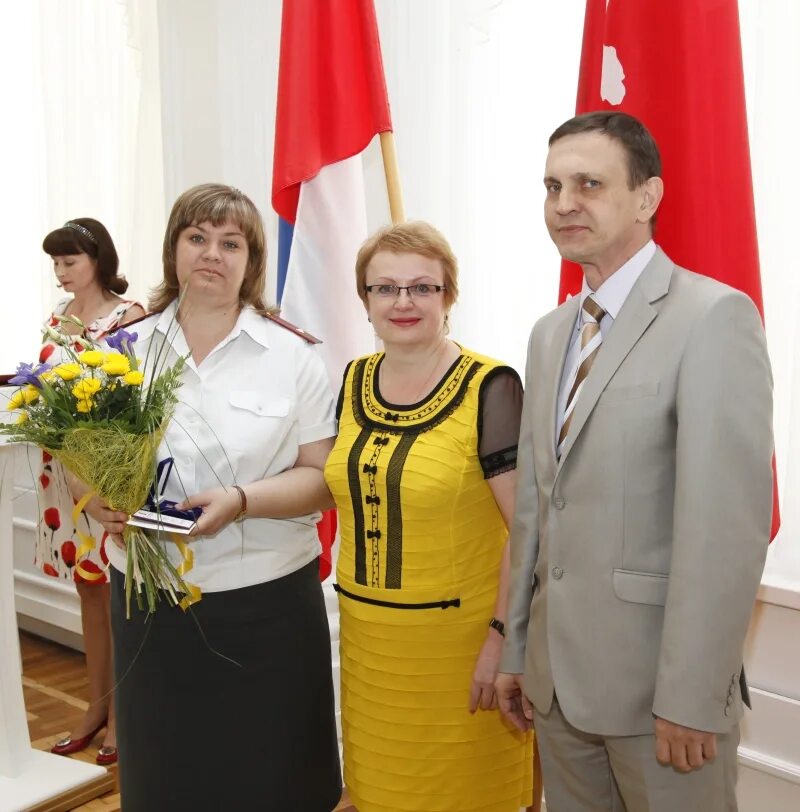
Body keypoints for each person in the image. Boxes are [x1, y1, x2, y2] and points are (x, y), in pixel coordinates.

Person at [496, 111, 774, 812]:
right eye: (553, 185)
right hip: (557, 690)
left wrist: (691, 695)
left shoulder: (714, 318)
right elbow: (535, 510)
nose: (565, 204)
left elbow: (723, 532)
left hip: (661, 702)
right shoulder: (550, 333)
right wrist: (518, 654)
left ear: (646, 198)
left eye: (589, 184)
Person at [86, 184, 342, 810]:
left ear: (251, 261)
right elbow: (82, 454)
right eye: (197, 238)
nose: (212, 254)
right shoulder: (121, 347)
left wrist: (242, 499)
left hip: (266, 602)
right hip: (150, 599)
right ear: (173, 249)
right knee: (167, 777)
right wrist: (94, 496)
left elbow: (322, 475)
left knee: (272, 777)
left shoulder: (295, 355)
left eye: (231, 244)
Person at [324, 221, 537, 812]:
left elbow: (528, 529)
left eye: (422, 287)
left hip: (462, 647)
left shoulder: (490, 387)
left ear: (449, 296)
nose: (403, 302)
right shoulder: (352, 378)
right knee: (378, 792)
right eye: (385, 288)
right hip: (371, 646)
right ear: (364, 299)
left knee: (463, 794)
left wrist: (503, 640)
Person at [40, 218, 144, 765]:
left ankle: (125, 716)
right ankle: (95, 704)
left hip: (107, 479)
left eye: (69, 262)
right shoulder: (57, 318)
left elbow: (136, 406)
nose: (61, 273)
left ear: (98, 260)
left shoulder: (129, 318)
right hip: (62, 474)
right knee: (89, 592)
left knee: (120, 595)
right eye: (55, 263)